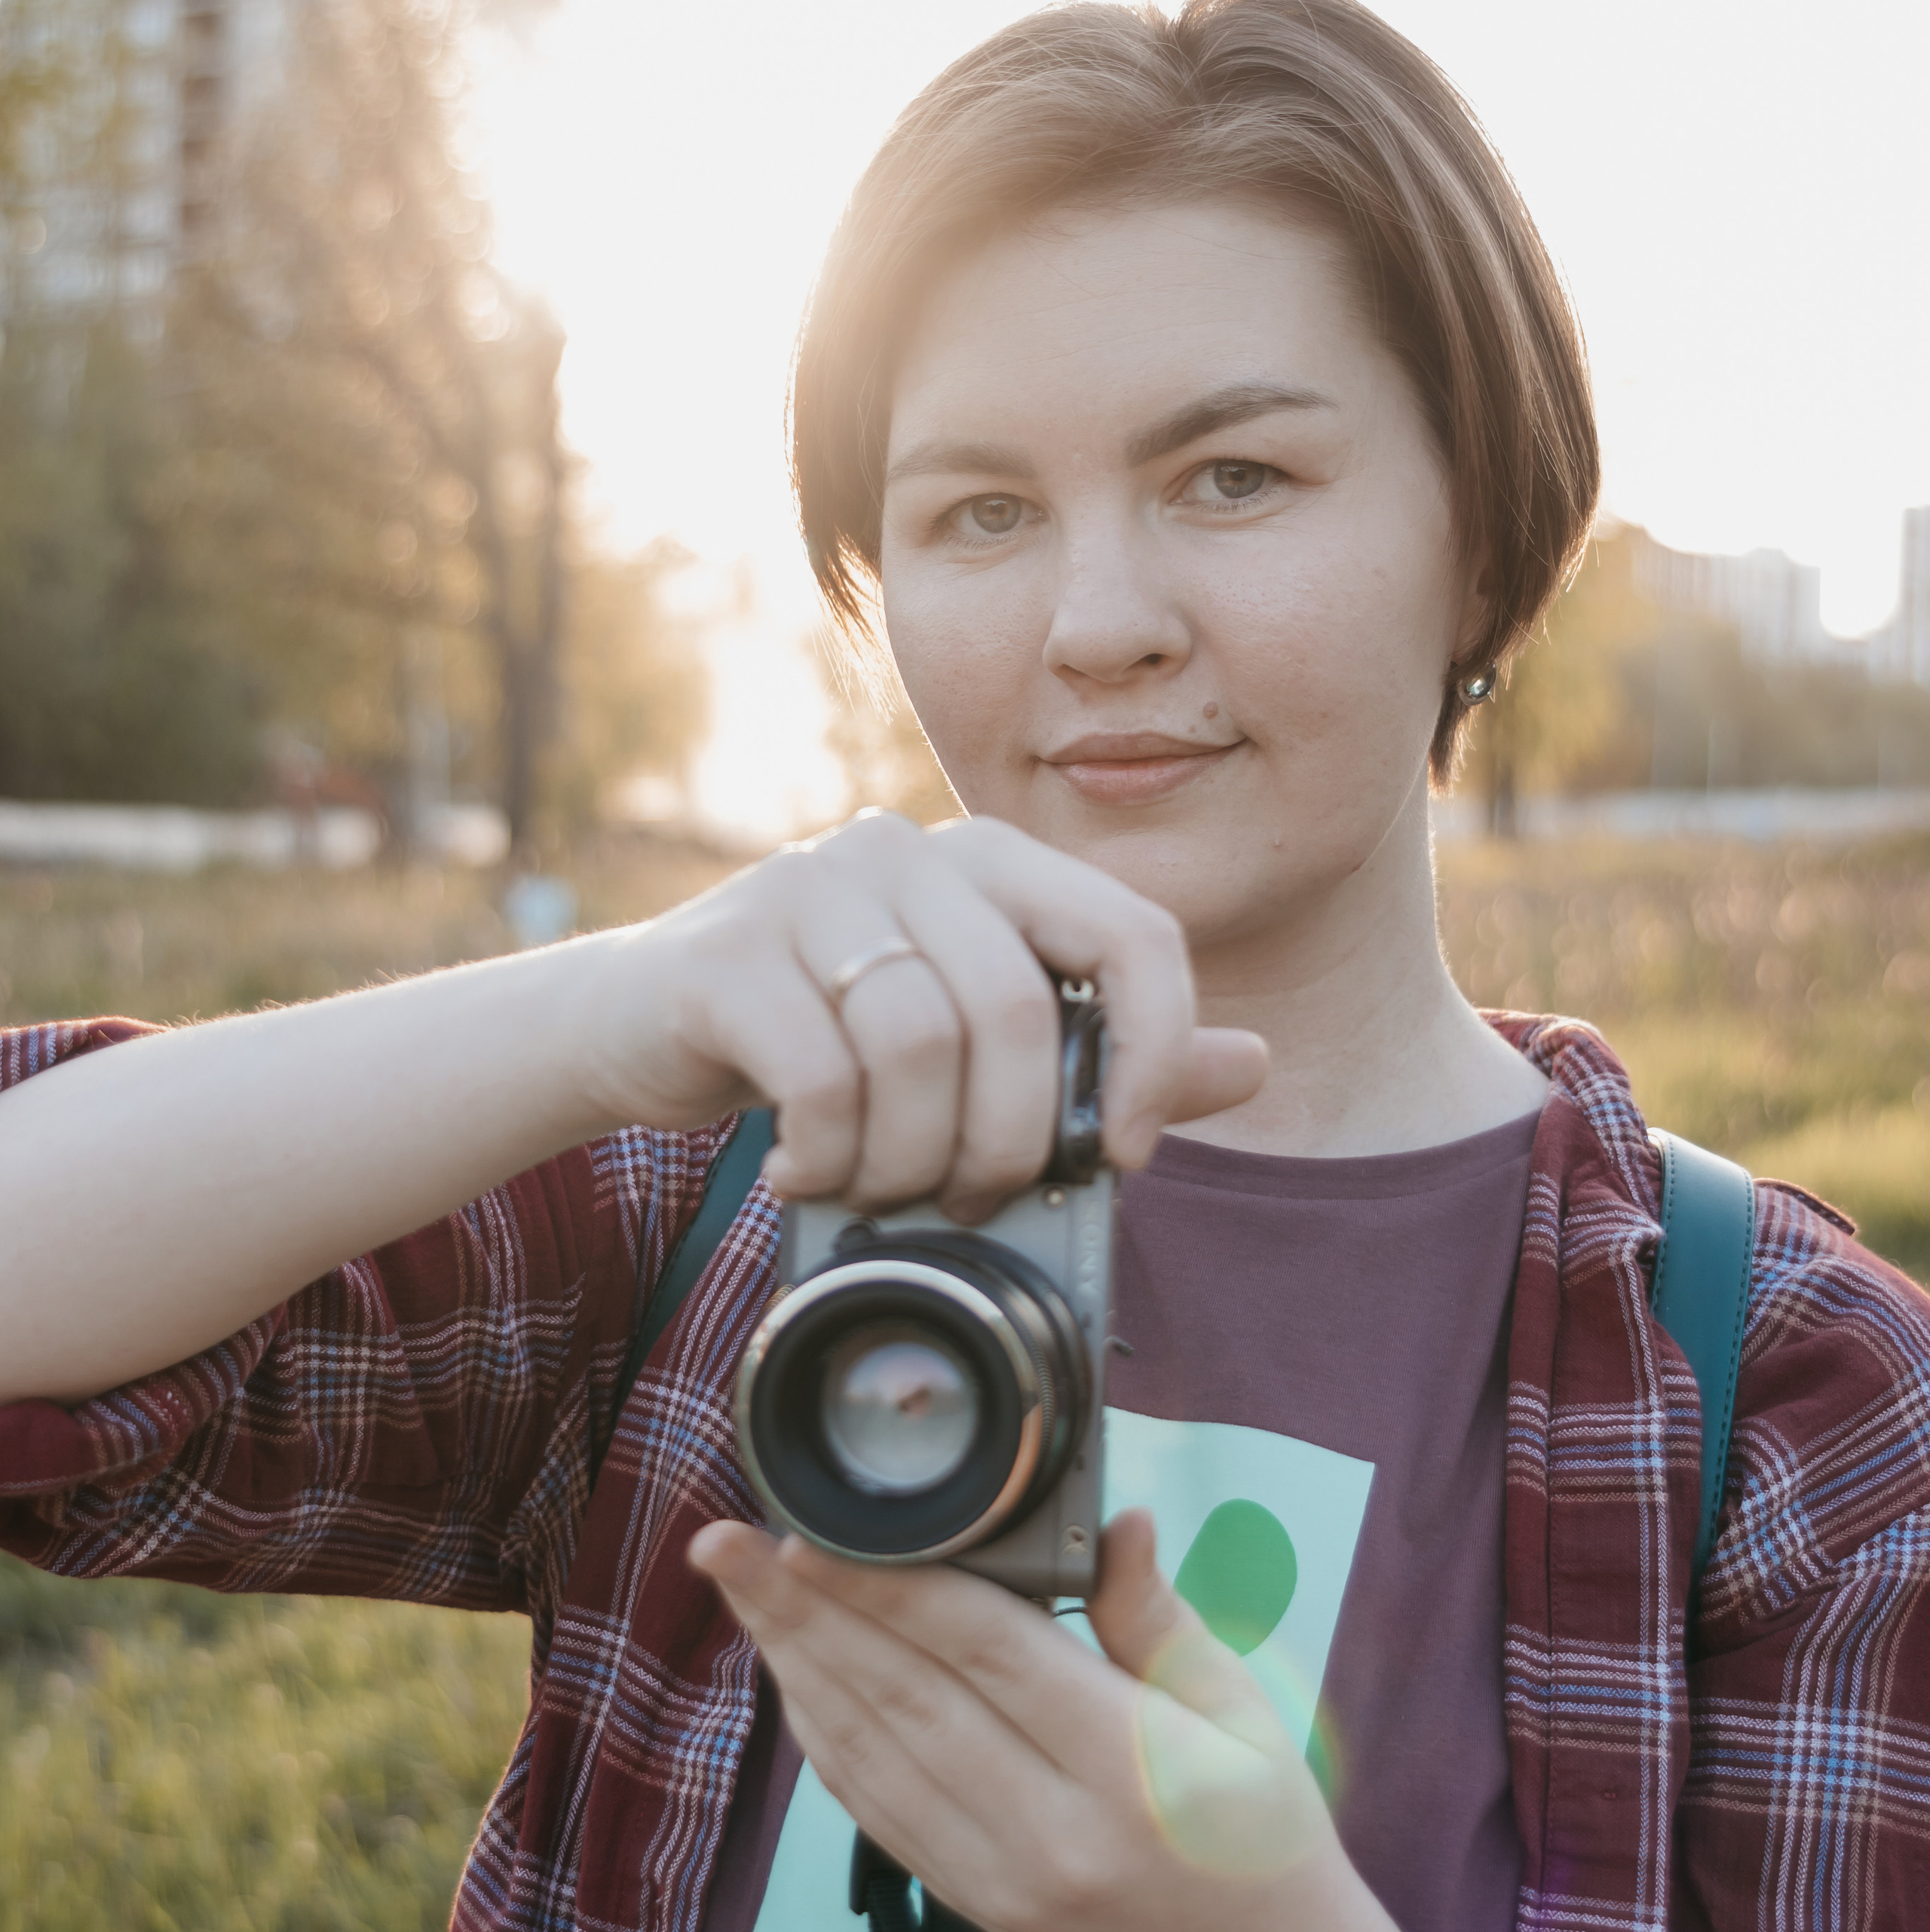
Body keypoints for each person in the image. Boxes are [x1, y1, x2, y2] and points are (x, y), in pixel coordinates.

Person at [4, 2, 1926, 1927]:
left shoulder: (1803, 1409)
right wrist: (610, 1005)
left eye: (1233, 475)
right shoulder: (712, 1194)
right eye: (980, 513)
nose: (1095, 624)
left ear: (1483, 547)